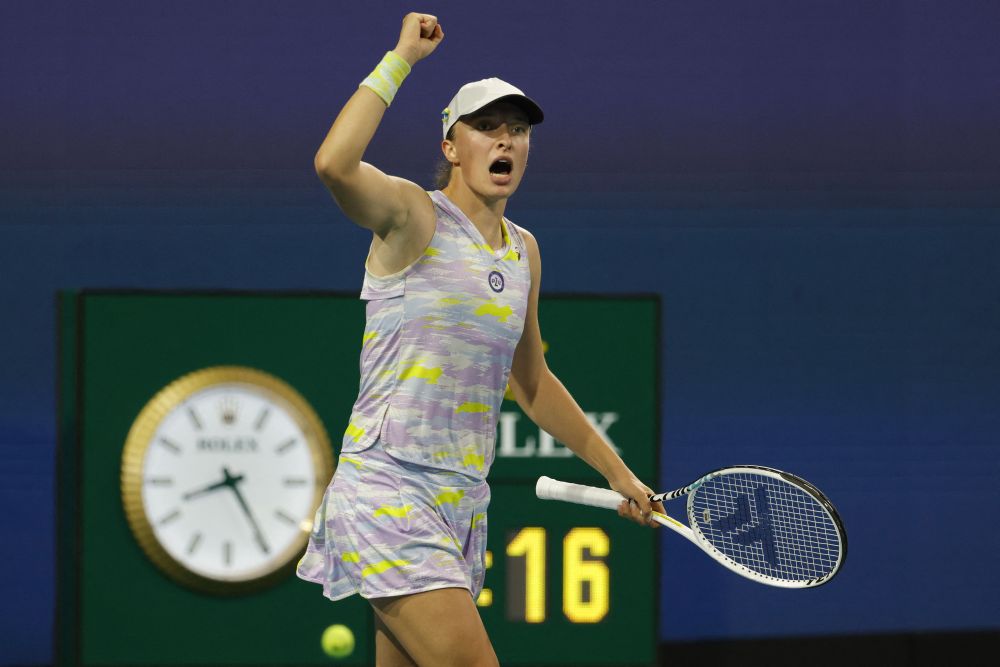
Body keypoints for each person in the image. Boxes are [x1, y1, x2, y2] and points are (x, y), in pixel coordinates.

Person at [296, 12, 663, 667]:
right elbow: (332, 163)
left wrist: (619, 473)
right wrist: (400, 59)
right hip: (389, 488)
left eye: (518, 130)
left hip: (461, 502)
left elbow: (532, 383)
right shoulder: (412, 216)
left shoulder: (525, 251)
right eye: (487, 128)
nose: (506, 141)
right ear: (450, 146)